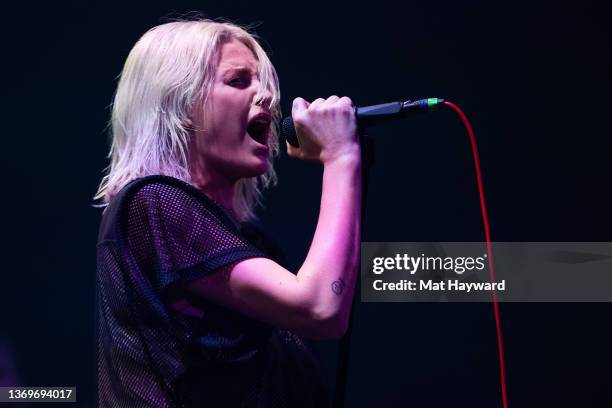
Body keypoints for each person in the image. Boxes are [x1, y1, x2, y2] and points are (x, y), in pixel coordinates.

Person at [95, 18, 361, 407]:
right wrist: (341, 158)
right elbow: (320, 307)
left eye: (264, 83)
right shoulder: (153, 202)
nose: (267, 96)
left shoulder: (253, 244)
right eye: (238, 81)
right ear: (180, 105)